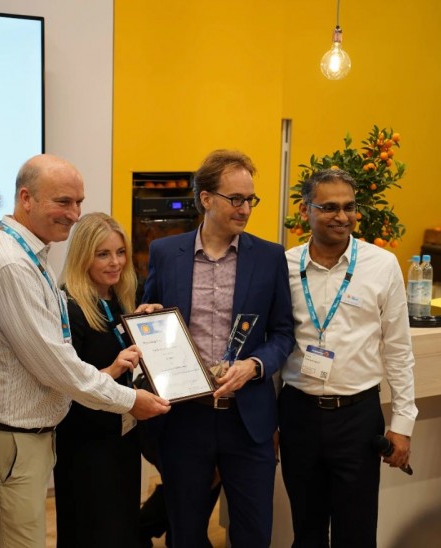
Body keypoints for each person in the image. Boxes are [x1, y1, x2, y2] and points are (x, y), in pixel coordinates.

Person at [0, 154, 170, 548]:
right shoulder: (12, 265)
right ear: (26, 198)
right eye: (63, 201)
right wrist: (130, 400)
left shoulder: (32, 258)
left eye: (78, 202)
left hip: (34, 437)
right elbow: (56, 365)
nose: (74, 214)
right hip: (20, 438)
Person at [143, 149, 295, 547]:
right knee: (185, 533)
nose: (245, 209)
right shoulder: (165, 253)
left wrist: (255, 365)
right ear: (206, 198)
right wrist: (148, 317)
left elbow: (283, 333)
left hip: (248, 420)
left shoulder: (270, 257)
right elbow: (150, 316)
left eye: (250, 199)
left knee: (253, 534)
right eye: (236, 199)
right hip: (185, 417)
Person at [279, 168, 417, 547]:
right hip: (298, 414)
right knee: (306, 531)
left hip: (357, 418)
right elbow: (276, 341)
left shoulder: (382, 265)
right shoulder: (285, 265)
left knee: (356, 533)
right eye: (329, 207)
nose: (342, 216)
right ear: (306, 210)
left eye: (349, 207)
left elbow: (399, 349)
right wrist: (268, 422)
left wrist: (403, 423)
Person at [53, 212, 142, 547]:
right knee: (91, 530)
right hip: (85, 444)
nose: (115, 262)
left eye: (120, 252)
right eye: (103, 254)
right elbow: (68, 386)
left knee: (122, 527)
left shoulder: (121, 299)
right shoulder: (69, 307)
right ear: (83, 256)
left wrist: (149, 327)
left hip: (122, 434)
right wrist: (115, 369)